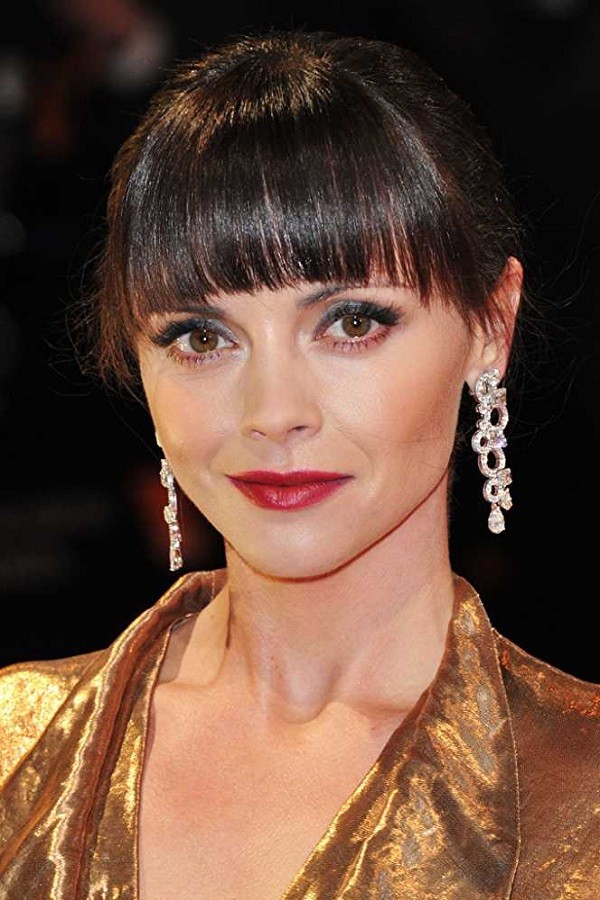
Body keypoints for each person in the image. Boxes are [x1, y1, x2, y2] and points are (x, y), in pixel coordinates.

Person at [0, 29, 598, 900]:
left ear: (489, 327)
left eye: (352, 322)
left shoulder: (581, 796)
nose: (273, 411)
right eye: (201, 337)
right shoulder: (17, 751)